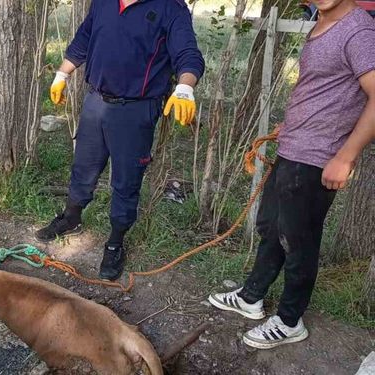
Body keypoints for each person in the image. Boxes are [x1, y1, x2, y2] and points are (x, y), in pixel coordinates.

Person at [208, 0, 375, 349]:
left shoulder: (358, 29)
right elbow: (324, 90)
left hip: (318, 157)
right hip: (294, 147)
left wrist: (345, 157)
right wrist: (294, 123)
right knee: (271, 227)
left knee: (299, 242)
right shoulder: (322, 24)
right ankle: (251, 297)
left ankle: (288, 320)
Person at [35, 0, 205, 281]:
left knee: (126, 181)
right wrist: (62, 73)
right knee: (83, 168)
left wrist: (185, 87)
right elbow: (84, 38)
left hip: (136, 109)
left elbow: (188, 55)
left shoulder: (170, 8)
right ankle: (71, 217)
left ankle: (115, 242)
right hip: (96, 101)